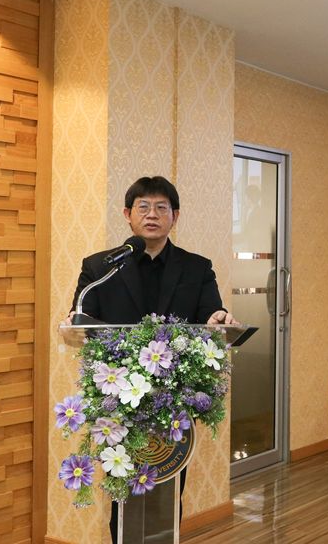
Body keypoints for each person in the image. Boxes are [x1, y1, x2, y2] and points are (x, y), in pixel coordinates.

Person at [68, 175, 237, 542]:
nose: (152, 214)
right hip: (118, 398)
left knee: (169, 486)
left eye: (162, 207)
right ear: (127, 214)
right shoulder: (100, 267)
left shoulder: (196, 268)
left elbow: (211, 316)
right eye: (143, 207)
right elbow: (81, 318)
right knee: (123, 485)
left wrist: (218, 319)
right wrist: (75, 321)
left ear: (175, 216)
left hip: (173, 399)